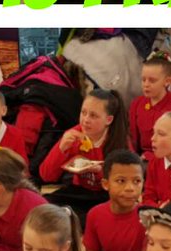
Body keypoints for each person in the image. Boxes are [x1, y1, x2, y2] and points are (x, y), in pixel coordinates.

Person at [39, 89, 130, 217]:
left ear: (108, 120)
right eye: (83, 112)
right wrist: (61, 149)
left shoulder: (119, 140)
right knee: (43, 205)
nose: (86, 120)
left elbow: (127, 181)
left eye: (93, 116)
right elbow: (46, 176)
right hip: (79, 191)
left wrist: (100, 171)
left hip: (107, 196)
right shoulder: (74, 135)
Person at [83, 150, 146, 251]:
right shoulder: (95, 214)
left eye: (137, 181)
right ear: (106, 184)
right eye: (121, 181)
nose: (130, 188)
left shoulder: (149, 217)